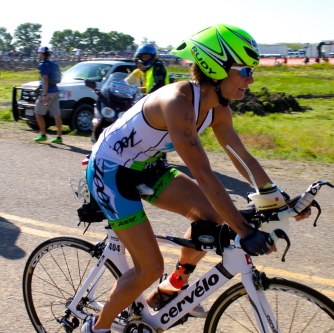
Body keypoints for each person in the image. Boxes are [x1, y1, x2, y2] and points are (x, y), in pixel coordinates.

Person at [82, 24, 311, 333]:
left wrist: (278, 201)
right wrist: (243, 230)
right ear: (216, 68)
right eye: (244, 70)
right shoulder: (177, 103)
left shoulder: (218, 107)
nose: (251, 79)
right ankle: (97, 328)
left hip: (146, 166)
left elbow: (242, 157)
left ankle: (172, 289)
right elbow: (204, 174)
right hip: (110, 171)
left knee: (212, 215)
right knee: (149, 267)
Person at [33, 46, 63, 144]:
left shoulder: (43, 65)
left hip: (48, 92)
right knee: (57, 115)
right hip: (55, 90)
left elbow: (45, 79)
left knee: (38, 113)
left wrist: (44, 94)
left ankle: (43, 135)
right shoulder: (53, 64)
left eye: (39, 53)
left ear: (42, 54)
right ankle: (59, 137)